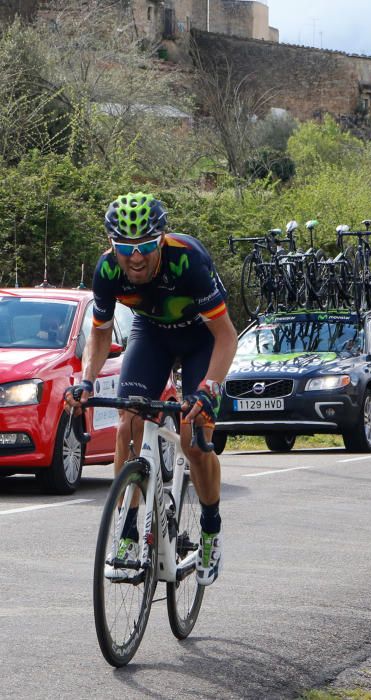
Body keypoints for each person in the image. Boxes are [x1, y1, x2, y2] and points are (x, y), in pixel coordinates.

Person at [64, 192, 238, 586]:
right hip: (152, 335)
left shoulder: (188, 260)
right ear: (112, 245)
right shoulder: (108, 272)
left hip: (202, 338)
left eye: (144, 246)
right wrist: (87, 380)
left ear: (160, 240)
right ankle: (127, 532)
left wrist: (208, 389)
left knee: (195, 439)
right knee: (129, 420)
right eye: (125, 247)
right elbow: (101, 332)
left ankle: (210, 527)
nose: (135, 257)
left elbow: (226, 337)